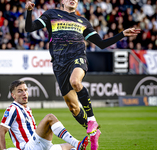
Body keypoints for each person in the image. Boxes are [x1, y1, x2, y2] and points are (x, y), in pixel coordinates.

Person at [25, 0, 140, 150]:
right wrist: (28, 12)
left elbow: (102, 43)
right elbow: (29, 28)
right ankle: (93, 132)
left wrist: (121, 35)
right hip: (59, 65)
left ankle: (92, 119)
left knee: (76, 81)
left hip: (77, 58)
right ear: (63, 1)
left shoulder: (83, 21)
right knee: (73, 108)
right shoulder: (51, 14)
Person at [0, 80, 89, 150]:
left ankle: (76, 144)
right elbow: (1, 131)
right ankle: (77, 143)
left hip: (40, 144)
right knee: (50, 118)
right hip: (29, 146)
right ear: (13, 95)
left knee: (71, 147)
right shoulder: (12, 108)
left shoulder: (27, 109)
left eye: (25, 90)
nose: (24, 93)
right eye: (20, 91)